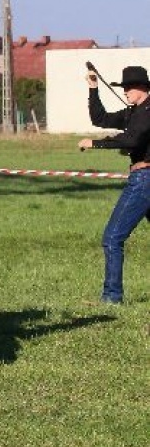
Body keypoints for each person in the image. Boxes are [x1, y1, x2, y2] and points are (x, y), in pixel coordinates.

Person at [78, 65, 150, 304]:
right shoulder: (134, 111)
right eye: (124, 87)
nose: (126, 91)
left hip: (144, 180)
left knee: (112, 238)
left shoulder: (147, 112)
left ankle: (111, 297)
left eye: (129, 87)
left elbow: (132, 139)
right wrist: (93, 89)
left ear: (143, 88)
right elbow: (100, 119)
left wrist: (95, 144)